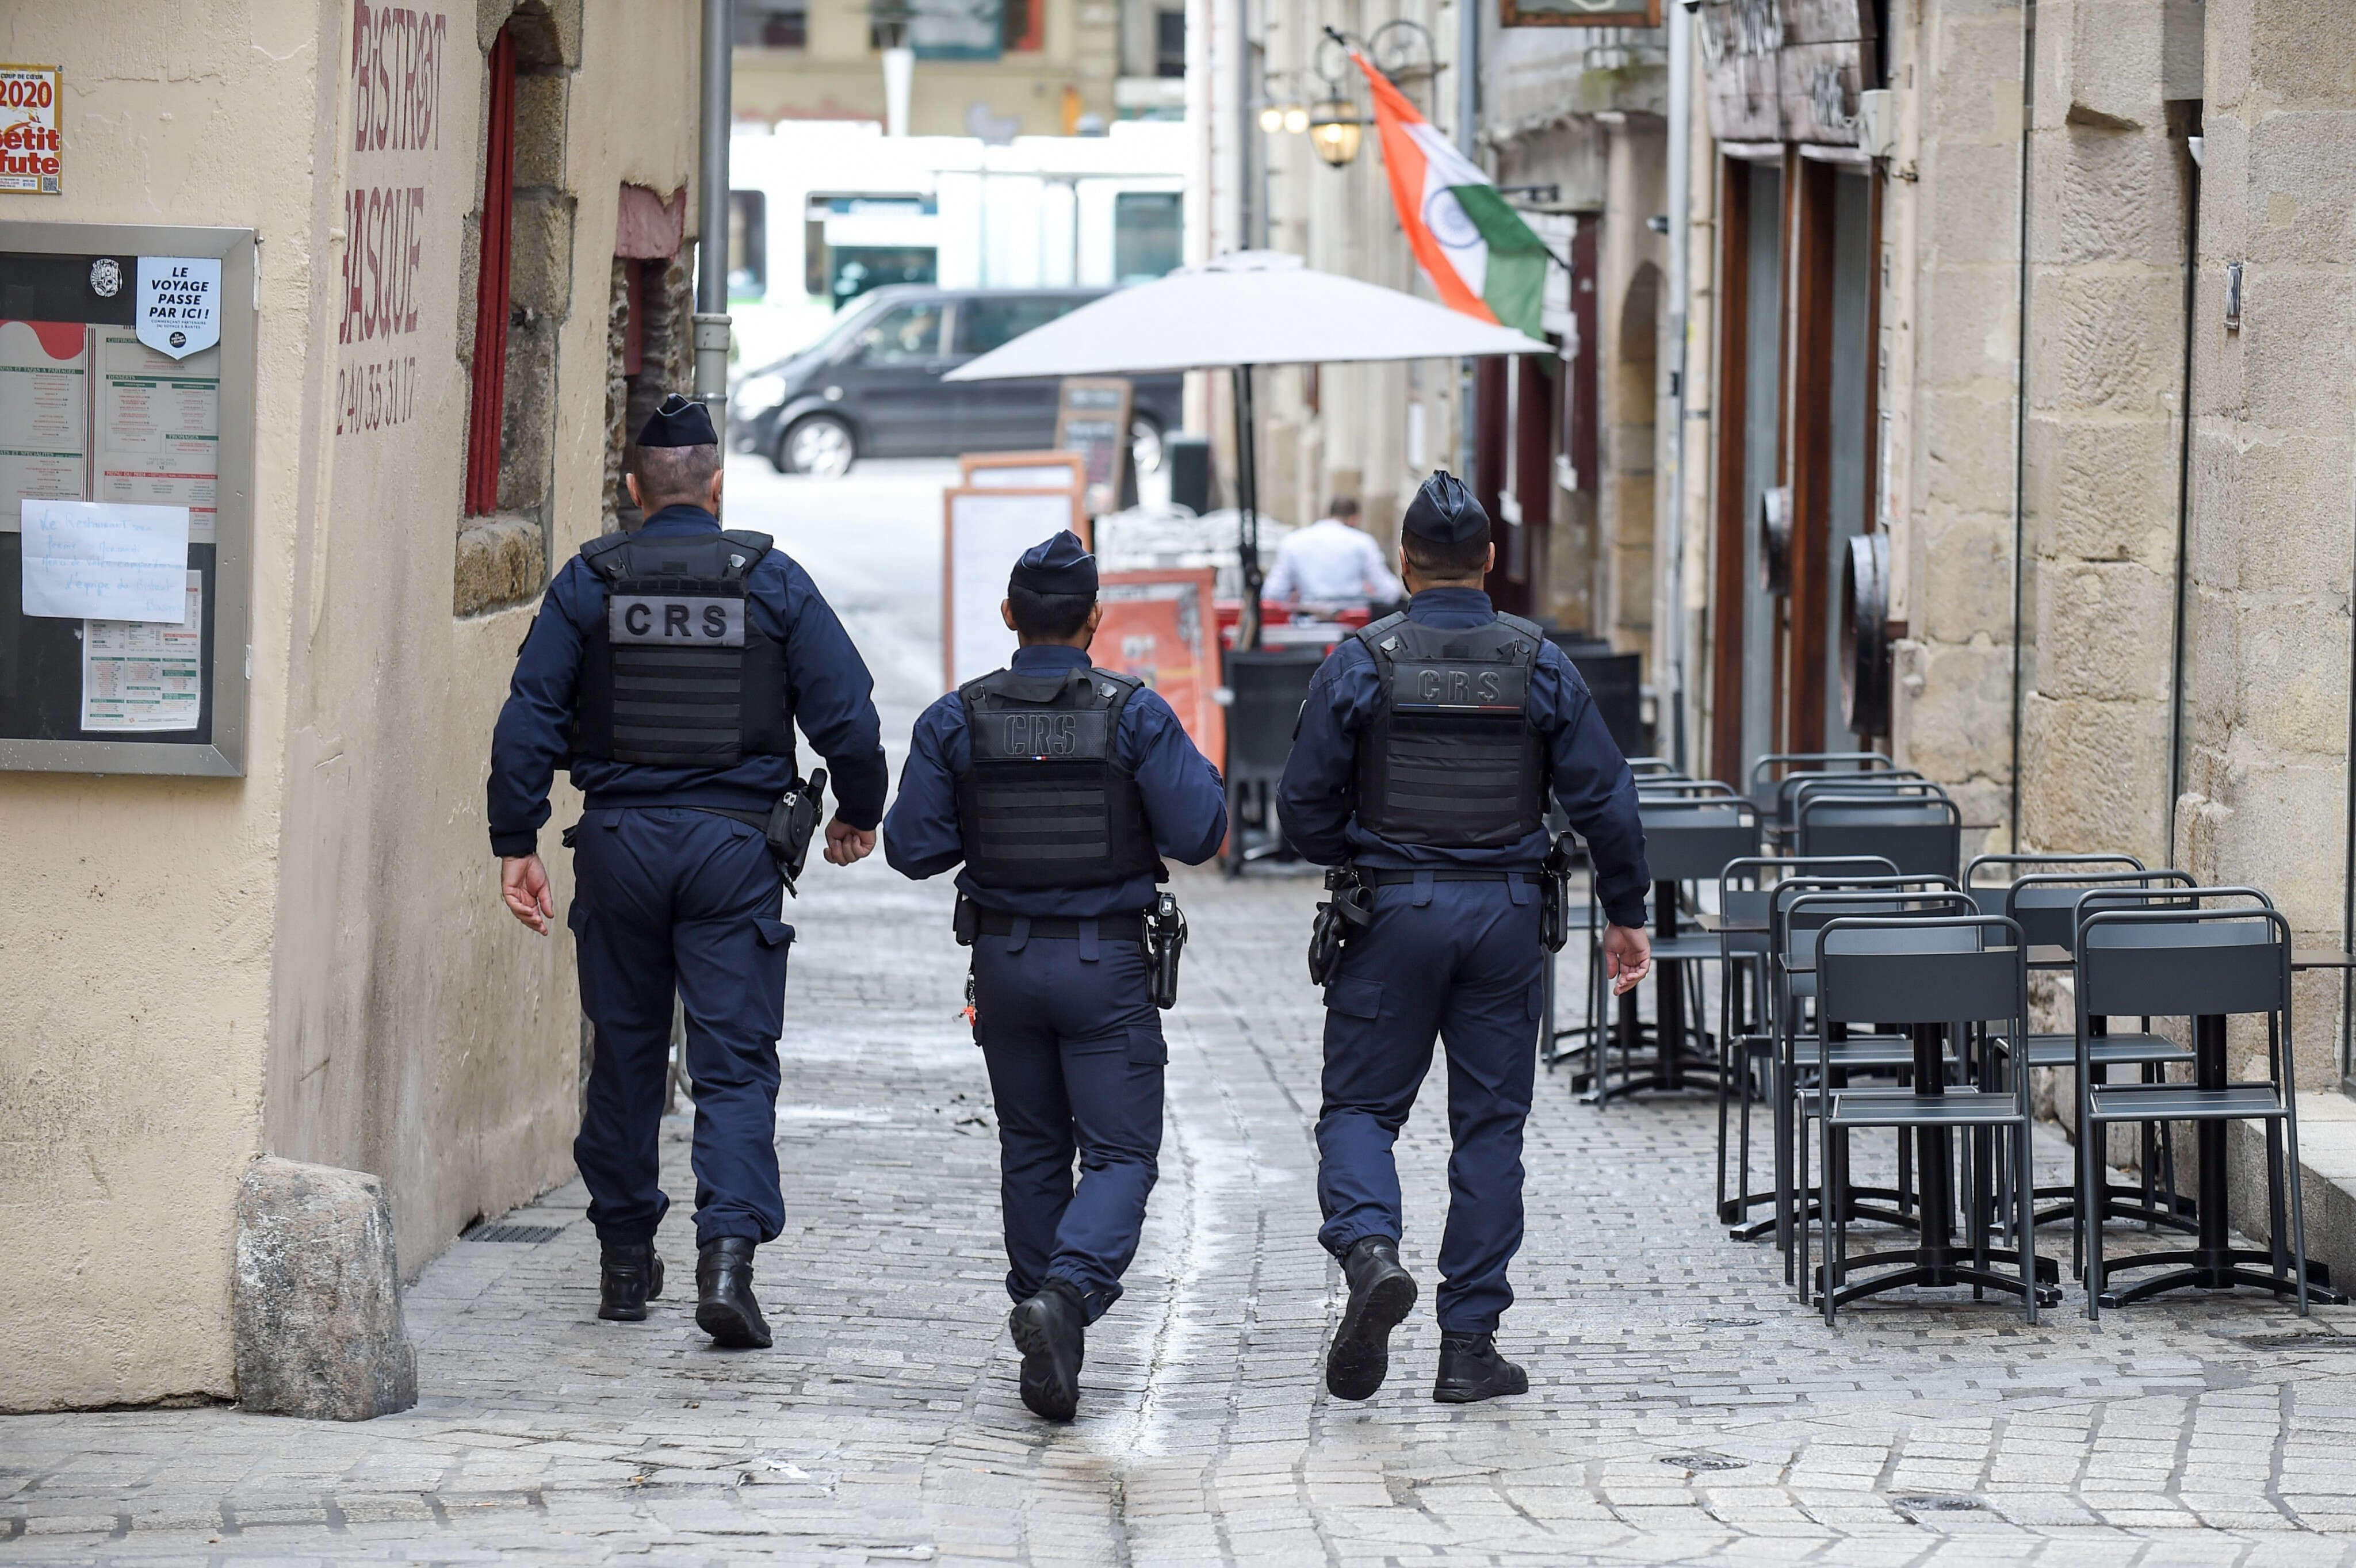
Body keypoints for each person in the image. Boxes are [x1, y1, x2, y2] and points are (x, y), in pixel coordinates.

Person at [487, 393, 888, 1350]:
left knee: (624, 1055)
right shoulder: (771, 580)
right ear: (716, 486)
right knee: (734, 1063)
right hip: (731, 850)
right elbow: (849, 714)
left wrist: (516, 840)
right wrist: (859, 813)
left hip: (620, 845)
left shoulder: (590, 582)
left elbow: (528, 720)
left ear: (633, 489)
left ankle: (625, 1266)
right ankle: (727, 1263)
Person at [1276, 471, 1652, 1405]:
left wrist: (1354, 854)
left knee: (1361, 1111)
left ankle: (1369, 1251)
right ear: (1490, 561)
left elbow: (1301, 807)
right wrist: (1625, 910)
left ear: (1402, 564)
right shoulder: (1538, 661)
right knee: (1489, 1129)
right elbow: (1605, 795)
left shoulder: (1362, 660)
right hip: (1504, 920)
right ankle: (1468, 1346)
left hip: (1390, 913)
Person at [882, 530, 1227, 1422]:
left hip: (1002, 960)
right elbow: (1199, 832)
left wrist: (988, 816)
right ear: (1095, 622)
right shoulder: (1133, 713)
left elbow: (911, 845)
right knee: (1119, 1153)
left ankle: (1045, 1325)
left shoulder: (957, 717)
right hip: (1104, 964)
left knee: (1033, 1148)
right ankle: (1066, 1298)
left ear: (1008, 617)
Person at [1262, 495, 1406, 610]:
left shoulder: (1292, 541)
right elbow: (1389, 591)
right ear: (1354, 518)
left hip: (1306, 623)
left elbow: (1273, 592)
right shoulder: (1362, 542)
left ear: (1328, 514)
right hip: (1353, 624)